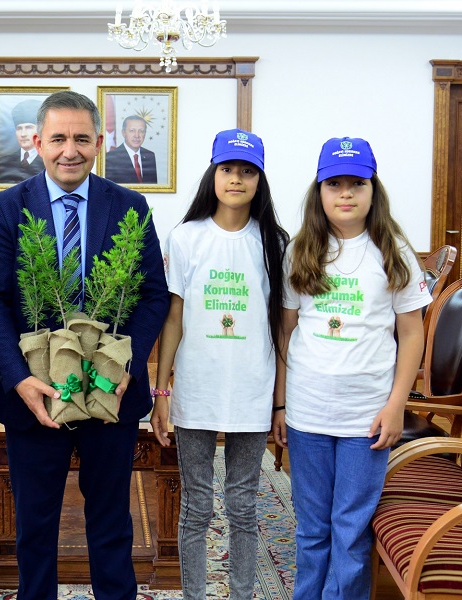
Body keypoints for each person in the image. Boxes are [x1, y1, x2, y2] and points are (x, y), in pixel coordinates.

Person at [0, 90, 170, 600]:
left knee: (111, 517)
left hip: (112, 391)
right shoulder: (5, 210)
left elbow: (153, 297)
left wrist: (127, 365)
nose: (70, 150)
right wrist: (19, 379)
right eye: (58, 138)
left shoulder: (129, 206)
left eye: (82, 138)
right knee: (35, 523)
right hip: (35, 396)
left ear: (99, 143)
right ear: (38, 142)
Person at [272, 137, 431, 599]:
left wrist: (397, 404)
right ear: (319, 191)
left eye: (357, 183)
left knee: (351, 530)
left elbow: (413, 334)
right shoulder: (300, 250)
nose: (346, 193)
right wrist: (281, 404)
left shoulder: (393, 250)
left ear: (372, 190)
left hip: (368, 417)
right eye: (335, 183)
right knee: (313, 528)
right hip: (308, 412)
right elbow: (285, 334)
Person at [150, 129, 288, 600]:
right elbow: (174, 318)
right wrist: (162, 393)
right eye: (227, 169)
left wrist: (279, 404)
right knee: (197, 506)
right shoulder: (186, 237)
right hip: (198, 387)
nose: (236, 179)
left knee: (243, 504)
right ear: (213, 175)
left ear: (260, 179)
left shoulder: (275, 243)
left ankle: (242, 593)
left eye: (247, 171)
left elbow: (282, 330)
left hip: (252, 388)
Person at [0, 99, 45, 183]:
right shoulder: (3, 162)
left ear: (40, 130)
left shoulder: (48, 162)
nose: (23, 134)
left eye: (29, 127)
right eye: (19, 128)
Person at [105, 115, 158, 184]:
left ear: (145, 133)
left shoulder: (150, 156)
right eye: (132, 131)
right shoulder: (110, 158)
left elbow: (153, 188)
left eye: (141, 131)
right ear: (124, 133)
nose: (137, 135)